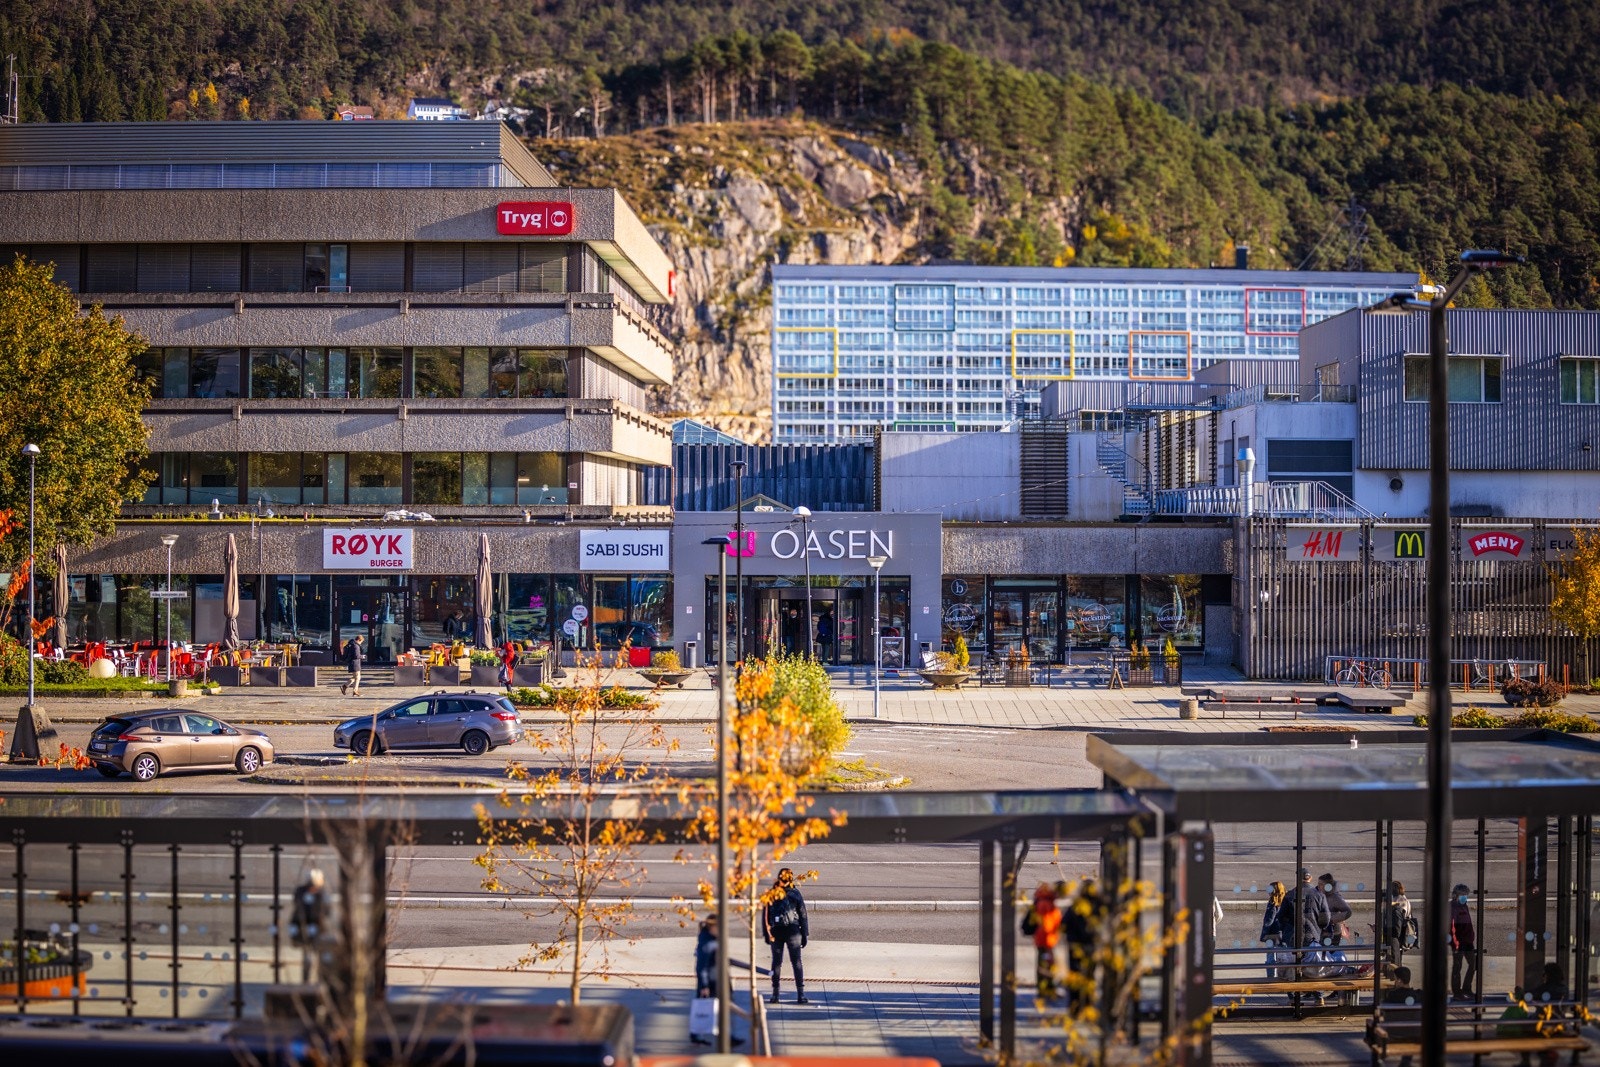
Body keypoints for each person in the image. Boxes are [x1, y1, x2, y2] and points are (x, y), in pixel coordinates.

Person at [762, 867, 809, 1004]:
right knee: (796, 962)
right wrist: (804, 934)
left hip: (776, 931)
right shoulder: (795, 893)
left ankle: (775, 995)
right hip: (793, 931)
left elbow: (766, 915)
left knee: (777, 962)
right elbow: (803, 915)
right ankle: (800, 994)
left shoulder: (772, 893)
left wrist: (767, 933)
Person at [1284, 868, 1332, 984]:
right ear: (1310, 878)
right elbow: (1326, 918)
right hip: (1313, 936)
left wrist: (1288, 929)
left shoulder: (1290, 895)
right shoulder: (1319, 895)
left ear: (1297, 878)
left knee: (1292, 970)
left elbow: (1281, 917)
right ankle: (1318, 996)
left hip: (1293, 938)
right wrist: (1319, 927)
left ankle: (1292, 996)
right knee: (1314, 969)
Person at [1022, 882, 1063, 997]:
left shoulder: (1045, 902)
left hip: (1045, 940)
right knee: (1046, 965)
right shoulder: (1046, 904)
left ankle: (1047, 988)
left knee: (1045, 964)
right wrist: (1048, 944)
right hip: (1045, 941)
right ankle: (1046, 989)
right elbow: (1046, 926)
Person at [290, 868, 327, 982]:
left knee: (319, 956)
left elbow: (324, 910)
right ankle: (306, 980)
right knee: (308, 955)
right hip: (304, 926)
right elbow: (298, 907)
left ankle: (320, 980)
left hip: (316, 927)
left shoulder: (320, 893)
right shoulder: (301, 892)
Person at [1450, 882, 1478, 1000]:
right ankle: (1457, 992)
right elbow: (1451, 927)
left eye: (1466, 895)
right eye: (1462, 894)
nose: (1464, 897)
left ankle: (1467, 988)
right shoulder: (1452, 907)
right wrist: (1455, 943)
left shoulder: (1464, 905)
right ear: (1455, 895)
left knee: (1473, 964)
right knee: (1457, 966)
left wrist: (1471, 936)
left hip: (1468, 941)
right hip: (1458, 943)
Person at [1381, 881, 1413, 968]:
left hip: (1398, 930)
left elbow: (1399, 916)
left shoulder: (1399, 900)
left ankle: (1396, 972)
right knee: (1398, 953)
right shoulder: (1403, 898)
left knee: (1395, 953)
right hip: (1401, 929)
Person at [1260, 881, 1287, 979]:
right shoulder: (1285, 901)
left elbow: (1269, 920)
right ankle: (1281, 976)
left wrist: (1264, 935)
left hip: (1272, 933)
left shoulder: (1272, 903)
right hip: (1281, 932)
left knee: (1271, 956)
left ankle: (1271, 977)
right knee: (1281, 956)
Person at [1318, 871, 1353, 948]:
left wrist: (1330, 920)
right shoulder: (1319, 895)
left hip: (1333, 932)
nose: (1318, 886)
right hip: (1321, 931)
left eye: (1321, 884)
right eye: (1318, 884)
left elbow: (1348, 912)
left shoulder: (1334, 897)